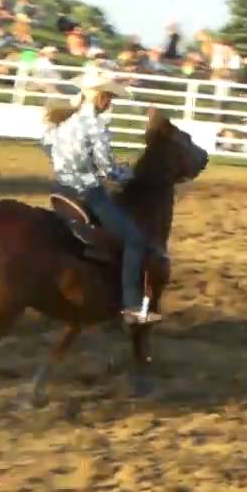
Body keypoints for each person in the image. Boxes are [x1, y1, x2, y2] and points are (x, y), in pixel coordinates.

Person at [42, 68, 158, 325]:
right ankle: (130, 306)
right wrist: (127, 175)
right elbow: (108, 168)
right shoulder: (96, 125)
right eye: (109, 97)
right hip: (89, 193)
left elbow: (46, 146)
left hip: (61, 191)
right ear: (99, 98)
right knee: (135, 240)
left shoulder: (64, 121)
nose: (110, 102)